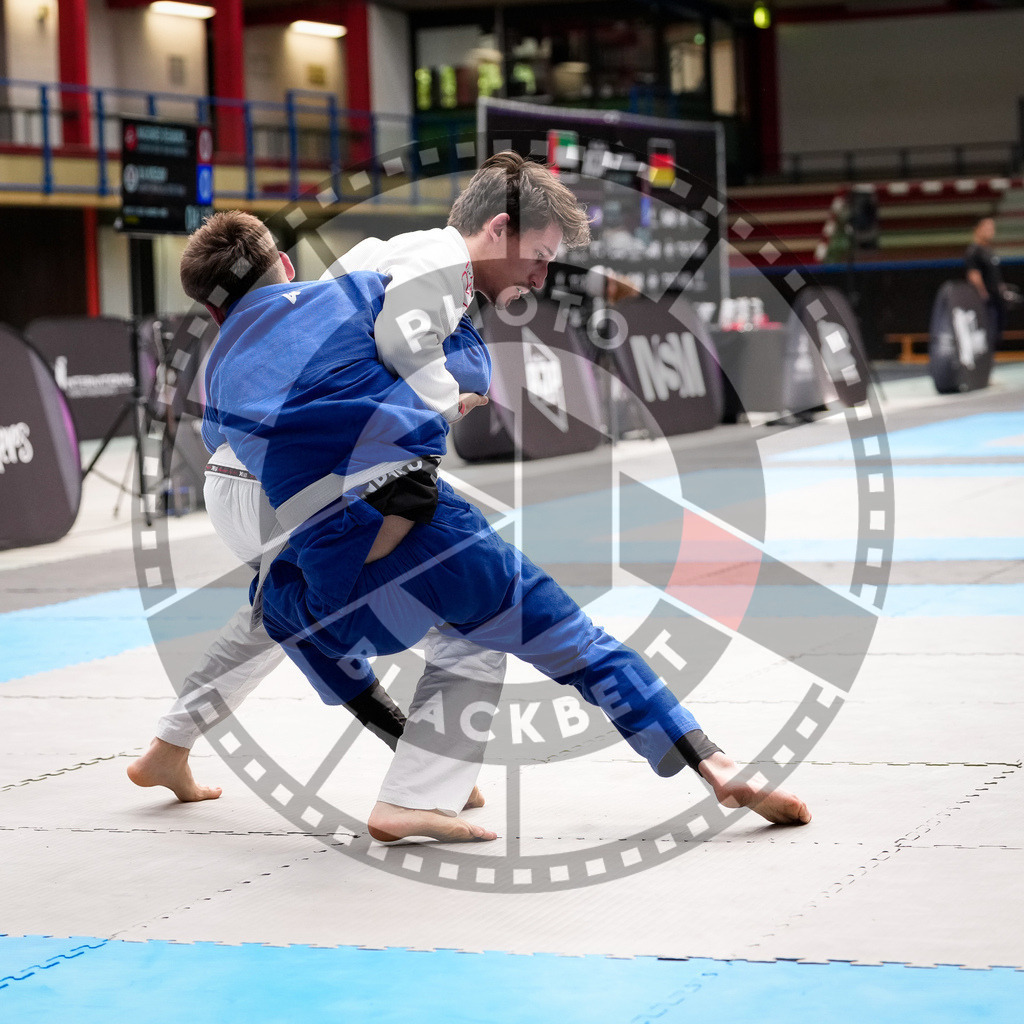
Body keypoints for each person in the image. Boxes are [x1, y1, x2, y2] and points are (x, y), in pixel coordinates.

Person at [188, 159, 811, 843]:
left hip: (303, 521)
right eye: (540, 256)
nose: (543, 277)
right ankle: (714, 764)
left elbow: (322, 367)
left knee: (306, 609)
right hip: (404, 508)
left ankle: (408, 787)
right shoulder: (434, 265)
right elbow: (403, 350)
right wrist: (442, 403)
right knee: (567, 637)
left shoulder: (338, 288)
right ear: (499, 227)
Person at [129, 152, 569, 823]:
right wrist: (454, 394)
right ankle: (424, 784)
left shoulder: (250, 333)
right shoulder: (398, 276)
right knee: (455, 615)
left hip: (236, 487)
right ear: (282, 264)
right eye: (535, 256)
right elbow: (403, 365)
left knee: (277, 612)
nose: (537, 273)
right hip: (299, 482)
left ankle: (171, 743)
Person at [966, 216, 1011, 347]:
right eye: (987, 227)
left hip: (996, 298)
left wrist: (1001, 289)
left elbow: (995, 275)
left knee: (996, 332)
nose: (991, 231)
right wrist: (982, 294)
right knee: (987, 332)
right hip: (986, 301)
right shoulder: (974, 251)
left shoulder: (989, 250)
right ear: (977, 229)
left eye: (992, 227)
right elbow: (974, 275)